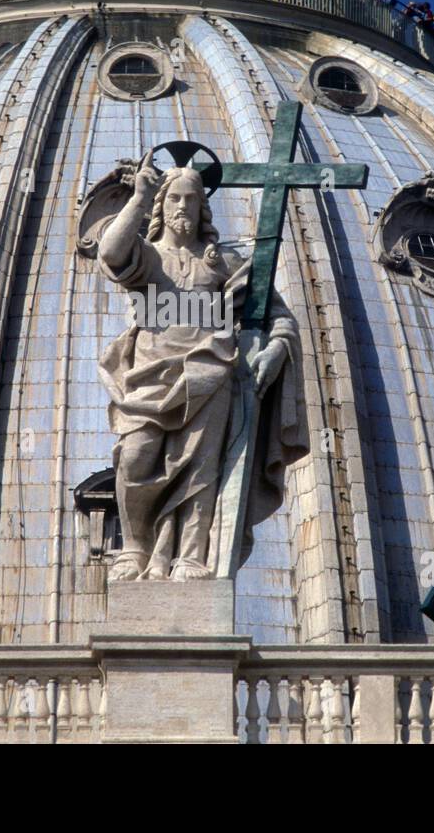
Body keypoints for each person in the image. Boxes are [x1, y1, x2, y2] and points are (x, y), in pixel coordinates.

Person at [96, 152, 307, 582]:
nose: (182, 208)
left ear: (202, 207)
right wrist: (137, 198)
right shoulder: (150, 258)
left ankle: (191, 554)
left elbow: (278, 316)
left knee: (203, 470)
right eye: (174, 199)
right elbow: (112, 253)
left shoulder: (224, 263)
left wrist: (277, 349)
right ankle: (135, 547)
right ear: (161, 204)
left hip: (211, 373)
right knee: (136, 458)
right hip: (149, 377)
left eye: (191, 200)